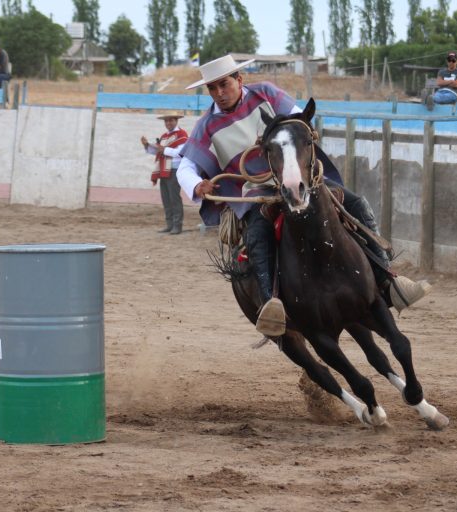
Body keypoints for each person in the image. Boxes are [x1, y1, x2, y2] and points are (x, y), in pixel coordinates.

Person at [177, 55, 430, 337]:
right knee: (257, 236)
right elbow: (185, 167)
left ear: (239, 79)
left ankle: (387, 279)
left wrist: (304, 132)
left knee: (355, 203)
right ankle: (271, 304)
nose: (219, 93)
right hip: (256, 192)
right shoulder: (206, 125)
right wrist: (196, 185)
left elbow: (299, 119)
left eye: (223, 84)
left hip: (297, 176)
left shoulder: (267, 93)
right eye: (212, 88)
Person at [140, 112, 188, 234]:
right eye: (166, 121)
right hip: (164, 169)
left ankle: (177, 225)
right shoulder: (164, 136)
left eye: (170, 120)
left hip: (174, 168)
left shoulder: (182, 134)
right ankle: (170, 224)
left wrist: (164, 149)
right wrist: (147, 145)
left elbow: (181, 152)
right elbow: (158, 152)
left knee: (174, 198)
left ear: (176, 121)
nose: (168, 123)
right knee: (166, 198)